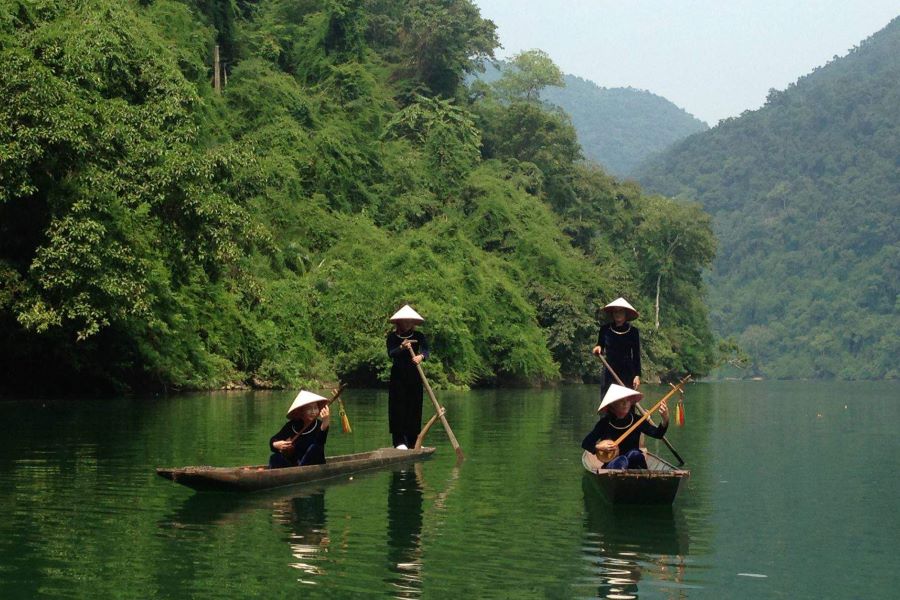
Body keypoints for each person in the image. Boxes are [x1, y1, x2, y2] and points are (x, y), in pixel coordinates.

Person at [581, 384, 669, 469]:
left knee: (635, 454)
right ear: (612, 405)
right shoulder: (605, 423)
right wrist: (599, 447)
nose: (625, 403)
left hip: (634, 461)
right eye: (621, 401)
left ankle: (642, 479)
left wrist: (665, 419)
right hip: (613, 464)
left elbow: (658, 434)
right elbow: (586, 443)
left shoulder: (637, 420)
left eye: (627, 400)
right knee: (621, 460)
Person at [386, 304, 429, 450]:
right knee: (398, 408)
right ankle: (399, 442)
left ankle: (413, 441)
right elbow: (391, 353)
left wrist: (420, 357)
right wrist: (401, 347)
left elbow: (426, 351)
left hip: (415, 376)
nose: (407, 323)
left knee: (414, 407)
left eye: (409, 321)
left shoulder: (419, 336)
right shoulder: (392, 337)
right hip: (398, 377)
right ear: (399, 322)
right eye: (404, 321)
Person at [592, 297, 642, 396]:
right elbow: (600, 346)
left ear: (625, 314)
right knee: (609, 401)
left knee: (626, 403)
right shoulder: (605, 329)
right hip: (609, 371)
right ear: (612, 313)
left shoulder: (633, 332)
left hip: (627, 372)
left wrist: (637, 375)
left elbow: (636, 355)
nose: (617, 314)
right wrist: (598, 348)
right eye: (615, 311)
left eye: (620, 311)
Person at [269, 390, 331, 468]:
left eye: (315, 408)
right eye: (309, 409)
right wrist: (276, 444)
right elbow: (274, 439)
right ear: (301, 411)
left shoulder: (319, 425)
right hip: (295, 465)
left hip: (313, 462)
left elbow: (320, 441)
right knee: (274, 457)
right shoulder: (292, 425)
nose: (313, 412)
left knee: (315, 448)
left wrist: (325, 422)